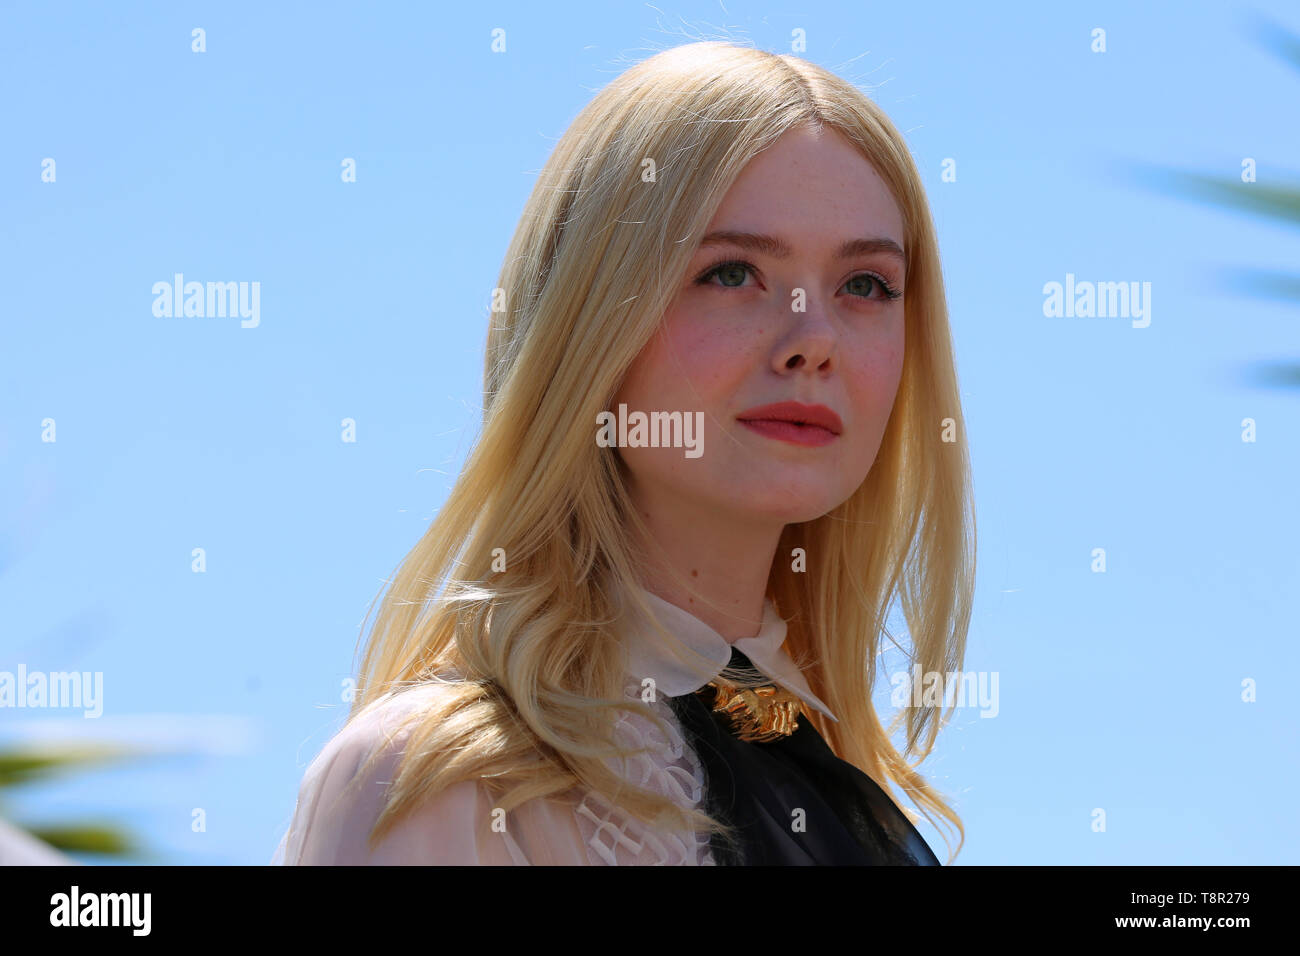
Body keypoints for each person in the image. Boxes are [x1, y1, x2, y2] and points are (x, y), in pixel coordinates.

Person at [273, 39, 974, 866]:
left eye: (865, 286)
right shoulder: (439, 786)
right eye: (732, 272)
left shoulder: (838, 789)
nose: (812, 340)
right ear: (588, 317)